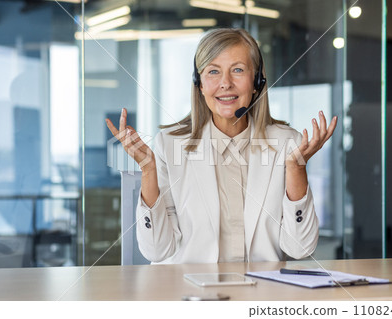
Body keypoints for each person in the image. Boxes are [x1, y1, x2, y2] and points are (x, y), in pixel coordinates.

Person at [106, 28, 337, 264]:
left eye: (237, 70)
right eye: (213, 72)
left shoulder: (287, 143)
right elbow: (157, 251)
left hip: (261, 291)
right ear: (200, 85)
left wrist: (297, 170)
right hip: (190, 291)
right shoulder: (170, 144)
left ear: (257, 82)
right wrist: (148, 170)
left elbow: (300, 249)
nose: (225, 83)